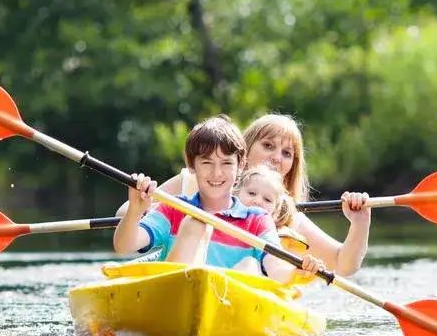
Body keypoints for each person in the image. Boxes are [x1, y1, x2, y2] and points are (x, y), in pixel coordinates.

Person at [150, 114, 371, 276]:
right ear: (243, 151)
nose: (276, 157)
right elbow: (128, 212)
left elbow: (344, 264)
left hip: (242, 292)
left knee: (251, 265)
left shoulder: (288, 216)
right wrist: (173, 212)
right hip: (181, 278)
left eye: (287, 153)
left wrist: (360, 224)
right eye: (268, 145)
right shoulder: (195, 180)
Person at [112, 115, 321, 284]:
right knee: (194, 224)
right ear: (192, 165)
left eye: (226, 163)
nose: (216, 173)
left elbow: (276, 268)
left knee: (250, 263)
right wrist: (135, 211)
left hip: (227, 305)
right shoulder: (173, 209)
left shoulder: (258, 220)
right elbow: (124, 246)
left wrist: (298, 270)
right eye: (207, 162)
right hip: (176, 294)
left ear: (240, 166)